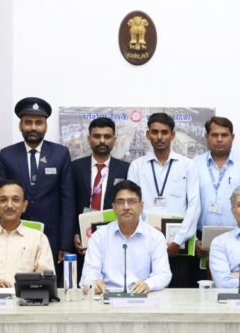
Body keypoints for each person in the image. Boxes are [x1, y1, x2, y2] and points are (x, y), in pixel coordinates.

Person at [0, 97, 75, 264]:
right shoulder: (7, 155)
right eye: (28, 122)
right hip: (14, 233)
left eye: (38, 122)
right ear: (20, 125)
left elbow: (68, 200)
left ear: (45, 125)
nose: (33, 127)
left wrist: (65, 244)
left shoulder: (60, 154)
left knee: (49, 283)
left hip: (51, 236)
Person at [126, 112, 200, 287]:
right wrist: (148, 240)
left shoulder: (187, 165)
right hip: (145, 246)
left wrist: (178, 240)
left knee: (180, 296)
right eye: (155, 132)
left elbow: (194, 206)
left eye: (165, 132)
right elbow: (131, 204)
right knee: (146, 294)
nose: (159, 137)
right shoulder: (137, 166)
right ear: (147, 134)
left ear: (172, 135)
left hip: (179, 247)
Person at [80, 180, 171, 294]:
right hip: (106, 296)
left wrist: (148, 284)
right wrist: (93, 283)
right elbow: (88, 273)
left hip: (143, 296)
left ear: (141, 206)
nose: (126, 207)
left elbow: (163, 274)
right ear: (113, 207)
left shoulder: (155, 237)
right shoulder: (99, 237)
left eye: (132, 201)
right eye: (120, 202)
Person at [193, 116, 240, 267]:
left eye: (224, 135)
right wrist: (193, 241)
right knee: (203, 285)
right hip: (201, 239)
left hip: (239, 237)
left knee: (235, 284)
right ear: (207, 137)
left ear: (232, 137)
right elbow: (186, 205)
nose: (219, 139)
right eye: (215, 135)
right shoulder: (193, 166)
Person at [71, 116, 129, 253]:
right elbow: (69, 203)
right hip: (81, 236)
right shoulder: (74, 167)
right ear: (89, 139)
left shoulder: (126, 169)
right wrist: (74, 233)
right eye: (97, 136)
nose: (102, 141)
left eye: (107, 136)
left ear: (114, 140)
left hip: (115, 236)